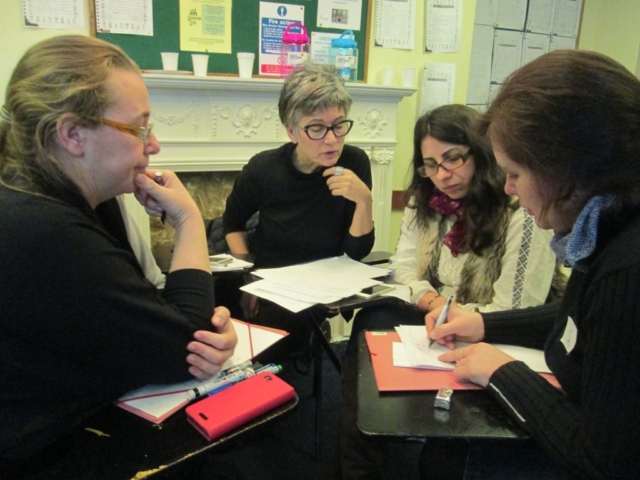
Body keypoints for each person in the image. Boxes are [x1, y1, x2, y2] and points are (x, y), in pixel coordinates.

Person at [0, 36, 237, 477]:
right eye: (139, 129)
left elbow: (152, 312)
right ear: (72, 134)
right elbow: (185, 344)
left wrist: (191, 331)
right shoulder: (44, 229)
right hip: (43, 453)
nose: (154, 144)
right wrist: (188, 220)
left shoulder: (77, 198)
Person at [426, 50, 640, 478]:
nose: (508, 188)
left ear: (567, 172)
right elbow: (580, 320)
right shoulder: (605, 227)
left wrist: (503, 372)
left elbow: (604, 459)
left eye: (516, 174)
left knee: (455, 456)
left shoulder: (626, 272)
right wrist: (484, 325)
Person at [338, 104, 563, 479]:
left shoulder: (518, 208)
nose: (442, 175)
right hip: (435, 314)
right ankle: (360, 463)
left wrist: (456, 318)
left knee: (446, 454)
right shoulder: (423, 200)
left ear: (480, 152)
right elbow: (404, 269)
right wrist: (435, 303)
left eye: (453, 158)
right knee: (373, 318)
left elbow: (515, 308)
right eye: (430, 164)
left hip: (494, 327)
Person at [222, 63, 374, 355]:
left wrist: (363, 200)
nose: (332, 139)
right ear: (292, 131)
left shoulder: (354, 163)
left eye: (339, 125)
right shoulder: (263, 168)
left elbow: (357, 252)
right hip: (270, 279)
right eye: (316, 128)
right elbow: (232, 223)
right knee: (257, 338)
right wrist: (248, 277)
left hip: (325, 282)